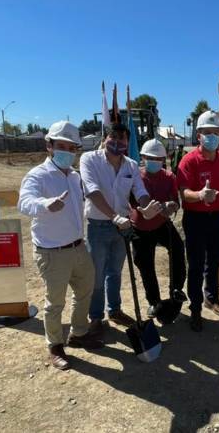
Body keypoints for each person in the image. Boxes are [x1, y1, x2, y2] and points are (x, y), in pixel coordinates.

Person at [17, 121, 102, 370]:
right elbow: (24, 203)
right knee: (55, 302)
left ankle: (78, 333)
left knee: (85, 290)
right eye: (61, 146)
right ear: (50, 146)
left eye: (71, 147)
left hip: (78, 247)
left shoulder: (75, 177)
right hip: (52, 251)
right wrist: (45, 204)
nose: (67, 151)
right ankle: (54, 346)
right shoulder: (38, 175)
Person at [80, 123, 163, 335]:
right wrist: (114, 216)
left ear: (128, 143)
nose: (117, 143)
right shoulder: (89, 159)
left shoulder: (131, 165)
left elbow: (140, 190)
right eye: (113, 137)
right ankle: (96, 317)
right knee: (97, 274)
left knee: (115, 272)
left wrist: (146, 207)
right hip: (98, 225)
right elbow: (92, 191)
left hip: (123, 226)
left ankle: (114, 310)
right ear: (105, 138)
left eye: (122, 139)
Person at [177, 110, 219, 331]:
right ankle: (195, 308)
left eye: (214, 132)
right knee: (195, 264)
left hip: (218, 218)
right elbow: (183, 192)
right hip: (195, 219)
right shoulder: (188, 161)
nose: (211, 136)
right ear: (198, 134)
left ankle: (212, 298)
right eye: (206, 132)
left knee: (215, 260)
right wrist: (200, 195)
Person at [129, 139, 186, 317]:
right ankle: (154, 301)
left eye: (159, 159)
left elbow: (175, 202)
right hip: (140, 227)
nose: (155, 161)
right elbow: (131, 201)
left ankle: (176, 288)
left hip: (161, 224)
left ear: (164, 159)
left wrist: (172, 206)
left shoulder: (169, 177)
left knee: (177, 248)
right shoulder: (136, 176)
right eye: (150, 158)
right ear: (143, 157)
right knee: (145, 265)